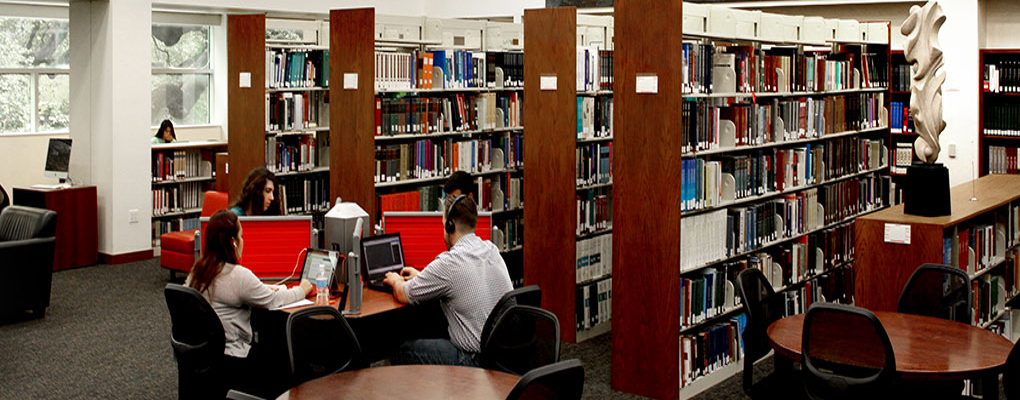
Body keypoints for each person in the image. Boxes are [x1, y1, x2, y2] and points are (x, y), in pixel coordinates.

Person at [185, 210, 312, 394]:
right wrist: (303, 289)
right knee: (285, 362)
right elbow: (273, 301)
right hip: (234, 359)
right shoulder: (237, 275)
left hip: (204, 356)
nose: (243, 240)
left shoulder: (197, 271)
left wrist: (262, 289)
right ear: (233, 242)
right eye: (241, 236)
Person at [384, 195, 513, 366]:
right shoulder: (491, 249)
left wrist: (394, 279)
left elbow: (403, 293)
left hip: (473, 361)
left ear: (449, 225)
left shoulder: (450, 263)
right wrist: (421, 277)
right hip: (502, 356)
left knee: (399, 350)